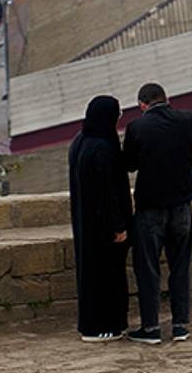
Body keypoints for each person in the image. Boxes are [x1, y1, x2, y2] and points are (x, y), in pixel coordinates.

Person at [122, 82, 192, 345]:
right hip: (182, 205)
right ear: (166, 98)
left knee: (148, 268)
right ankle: (180, 326)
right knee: (180, 266)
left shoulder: (137, 127)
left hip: (150, 208)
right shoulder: (184, 118)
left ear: (142, 104)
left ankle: (150, 328)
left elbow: (128, 164)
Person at [68, 96, 132, 343]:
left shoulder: (80, 141)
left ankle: (92, 325)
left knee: (90, 277)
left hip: (86, 224)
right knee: (108, 278)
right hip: (104, 229)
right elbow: (108, 193)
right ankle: (105, 326)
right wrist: (118, 227)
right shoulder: (102, 148)